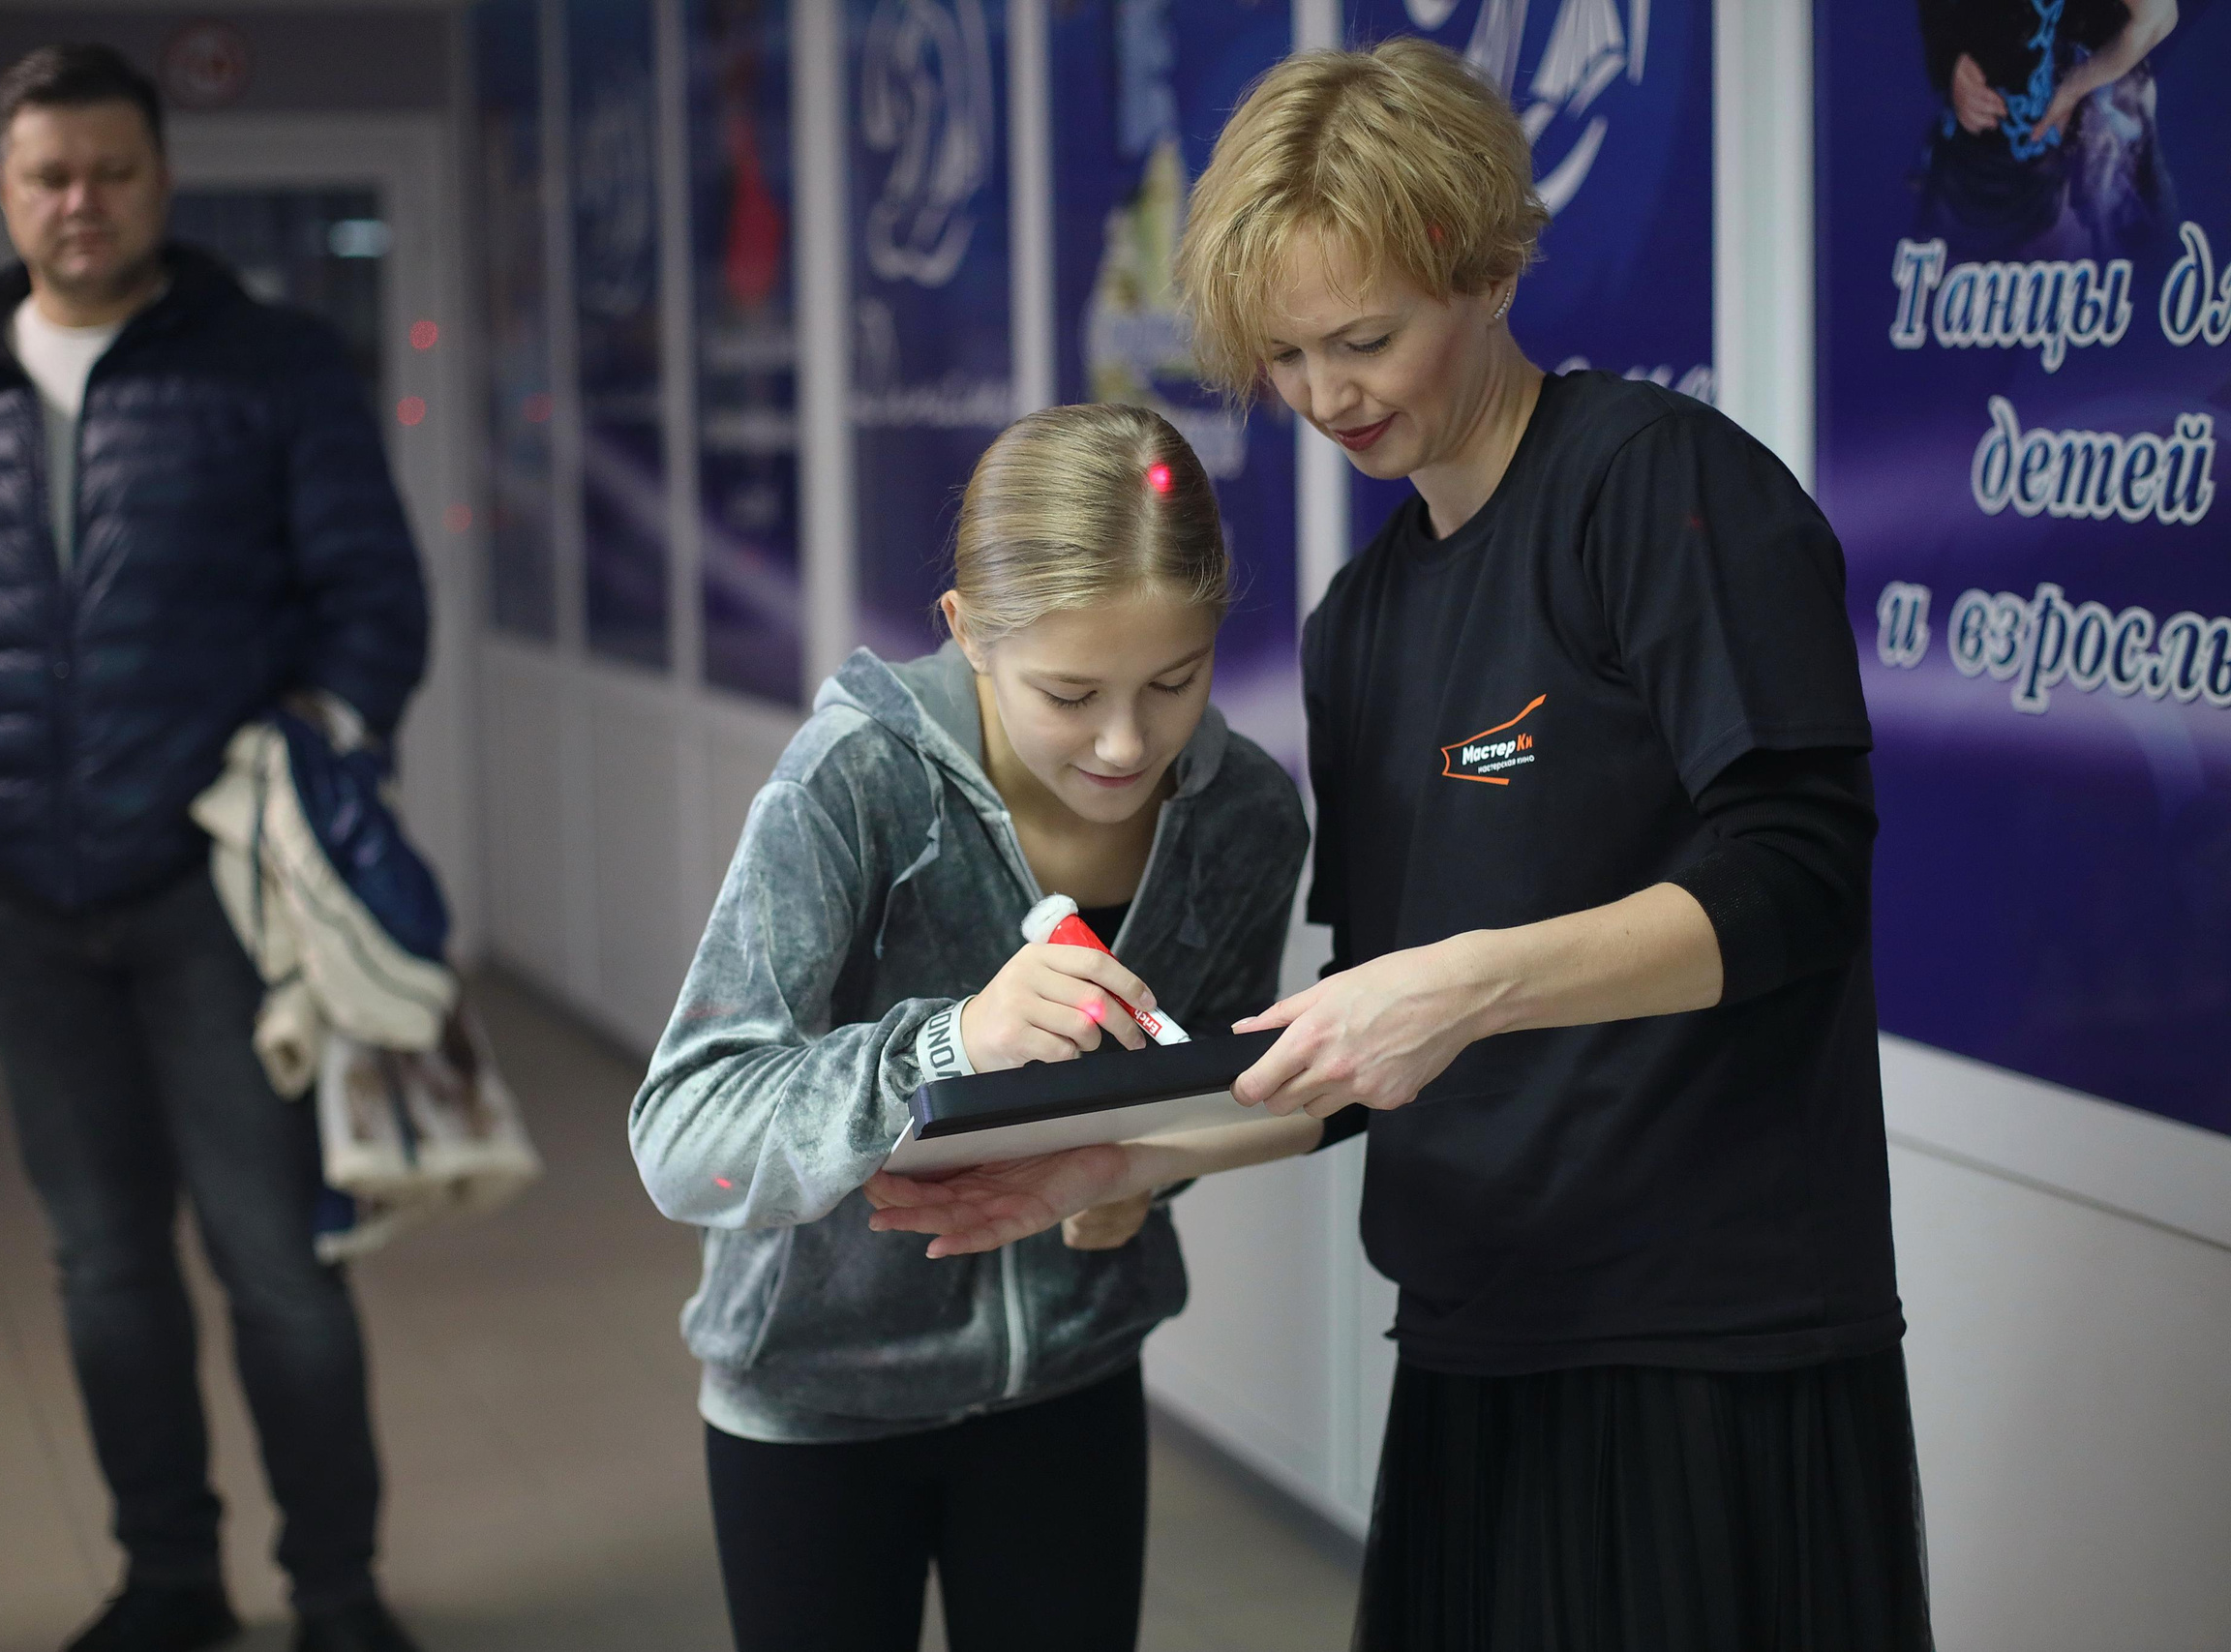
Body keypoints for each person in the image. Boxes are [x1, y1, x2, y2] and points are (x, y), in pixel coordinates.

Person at [1163, 37, 1925, 1651]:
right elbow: (1376, 1032)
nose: (1329, 399)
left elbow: (1796, 873)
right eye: (1287, 359)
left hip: (1714, 1344)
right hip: (1473, 1336)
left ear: (1493, 267)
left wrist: (1473, 984)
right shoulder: (1359, 624)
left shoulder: (1660, 494)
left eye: (1367, 338)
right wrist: (1134, 1156)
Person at [0, 45, 427, 1652]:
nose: (78, 201)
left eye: (109, 169)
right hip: (10, 898)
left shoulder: (274, 366)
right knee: (102, 1265)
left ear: (161, 181)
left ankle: (336, 1590)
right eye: (47, 174)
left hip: (215, 895)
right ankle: (170, 1577)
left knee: (278, 1265)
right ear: (5, 187)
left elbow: (373, 610)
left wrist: (297, 775)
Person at [630, 404, 1331, 1652]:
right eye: (1069, 693)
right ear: (965, 633)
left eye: (1174, 682)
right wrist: (944, 1046)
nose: (1126, 744)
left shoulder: (1244, 819)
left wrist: (1134, 1187)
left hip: (1072, 1379)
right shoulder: (856, 783)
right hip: (815, 1403)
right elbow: (686, 1139)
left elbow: (1202, 1091)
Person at [1916, 0, 2179, 259]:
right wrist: (1948, 59)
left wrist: (2077, 85)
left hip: (2056, 179)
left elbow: (2158, 15)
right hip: (1962, 181)